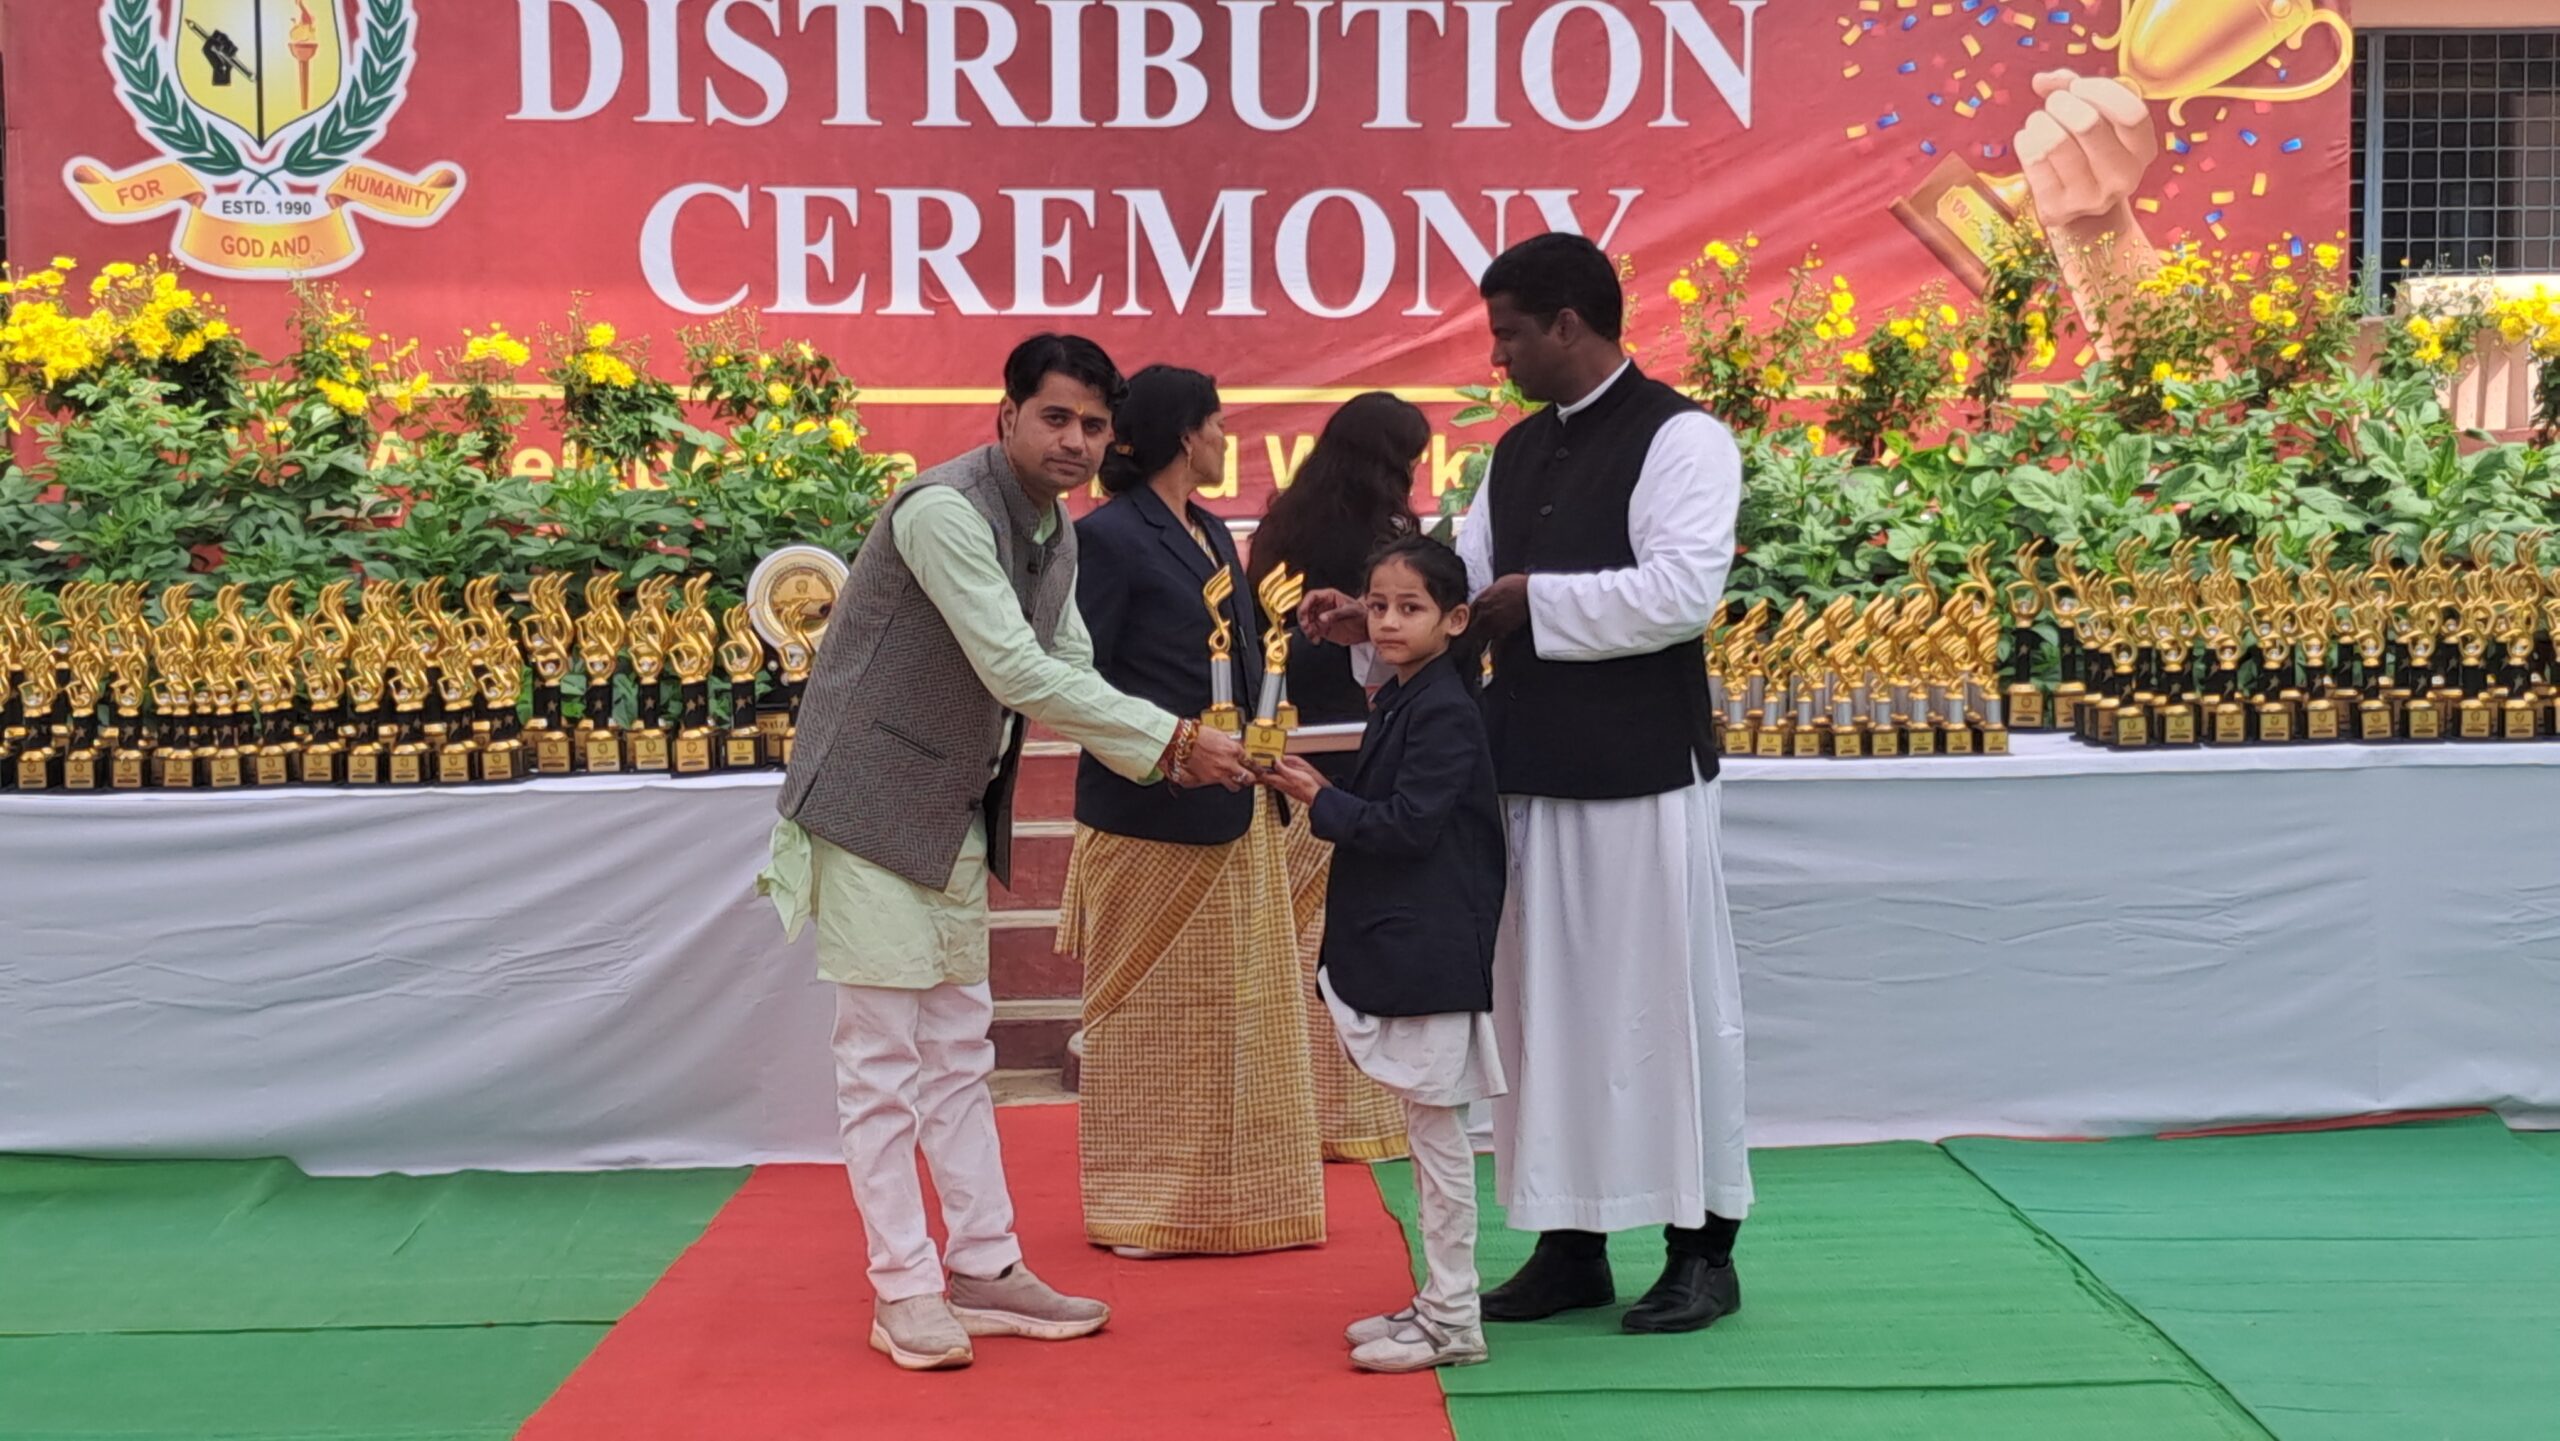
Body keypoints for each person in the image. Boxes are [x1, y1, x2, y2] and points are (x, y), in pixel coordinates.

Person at [762, 334, 1253, 1371]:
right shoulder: (943, 510)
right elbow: (1017, 670)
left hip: (950, 810)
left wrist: (1169, 748)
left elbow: (1069, 664)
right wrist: (1170, 742)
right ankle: (903, 1288)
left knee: (957, 1052)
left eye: (1093, 426)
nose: (1075, 441)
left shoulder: (1053, 527)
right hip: (867, 805)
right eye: (1055, 417)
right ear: (1007, 416)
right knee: (882, 1064)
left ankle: (983, 1265)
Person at [1303, 232, 1750, 1335]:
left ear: (1568, 323)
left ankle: (1701, 1246)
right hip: (1525, 770)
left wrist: (1531, 601)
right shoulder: (1513, 452)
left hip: (1640, 775)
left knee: (1660, 1008)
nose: (1496, 355)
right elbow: (1458, 591)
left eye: (1508, 333)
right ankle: (1570, 1242)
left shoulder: (1682, 438)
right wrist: (1379, 623)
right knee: (1542, 1014)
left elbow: (1680, 592)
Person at [1058, 364, 1326, 1258]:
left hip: (1236, 804)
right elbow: (1077, 681)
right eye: (1215, 425)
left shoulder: (1211, 530)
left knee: (1229, 1020)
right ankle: (1140, 1201)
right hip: (1148, 810)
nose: (1224, 440)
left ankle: (1229, 1200)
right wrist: (1171, 745)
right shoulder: (1106, 538)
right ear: (1183, 434)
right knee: (1148, 1026)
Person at [1264, 535, 1506, 1375]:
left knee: (1438, 1137)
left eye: (1410, 607)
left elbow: (1409, 825)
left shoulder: (1444, 708)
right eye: (1378, 605)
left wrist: (1319, 795)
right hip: (1414, 943)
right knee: (1428, 1130)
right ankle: (1441, 1301)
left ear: (1456, 618)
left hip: (1433, 946)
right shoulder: (1407, 694)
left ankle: (1455, 1315)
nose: (1389, 621)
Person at [1249, 392, 1431, 1164]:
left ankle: (1286, 1103)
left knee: (1291, 933)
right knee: (1352, 925)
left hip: (1284, 732)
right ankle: (1355, 1110)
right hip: (1363, 737)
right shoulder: (1390, 538)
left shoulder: (1280, 524)